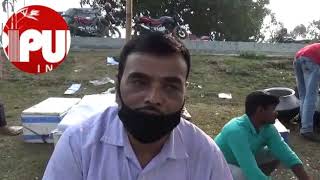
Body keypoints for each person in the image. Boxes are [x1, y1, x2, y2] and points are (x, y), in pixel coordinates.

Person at [43, 32, 232, 180]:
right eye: (140, 82)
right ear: (118, 86)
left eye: (170, 86)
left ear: (184, 93)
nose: (154, 98)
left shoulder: (206, 155)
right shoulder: (78, 144)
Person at [214, 91, 310, 180]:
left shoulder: (267, 128)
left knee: (274, 153)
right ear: (260, 110)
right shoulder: (236, 131)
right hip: (219, 165)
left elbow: (286, 154)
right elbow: (251, 172)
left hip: (241, 160)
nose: (277, 113)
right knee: (242, 175)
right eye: (273, 109)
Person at [294, 43, 320, 142]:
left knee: (303, 95)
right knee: (311, 96)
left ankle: (302, 122)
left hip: (298, 57)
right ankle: (307, 129)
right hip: (311, 60)